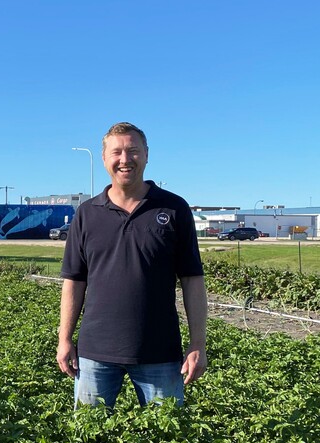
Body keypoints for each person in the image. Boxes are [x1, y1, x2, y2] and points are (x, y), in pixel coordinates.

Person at [56, 122, 207, 407]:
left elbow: (192, 279)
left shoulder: (174, 209)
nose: (125, 160)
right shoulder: (87, 214)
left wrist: (198, 343)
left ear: (147, 155)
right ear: (104, 159)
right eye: (116, 152)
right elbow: (74, 280)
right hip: (95, 353)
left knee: (164, 442)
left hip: (160, 353)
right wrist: (65, 339)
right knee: (89, 442)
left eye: (133, 151)